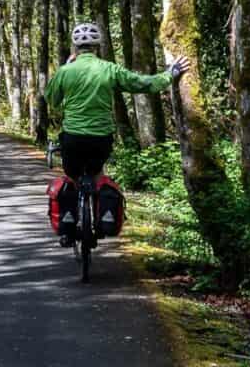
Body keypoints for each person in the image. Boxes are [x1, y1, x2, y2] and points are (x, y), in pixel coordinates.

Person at [45, 22, 190, 242]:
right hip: (101, 138)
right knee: (97, 174)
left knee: (72, 177)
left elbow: (52, 100)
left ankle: (68, 224)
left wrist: (64, 70)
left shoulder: (66, 71)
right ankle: (102, 221)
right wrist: (171, 74)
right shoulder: (109, 69)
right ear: (97, 46)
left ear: (75, 47)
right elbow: (144, 84)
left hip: (72, 137)